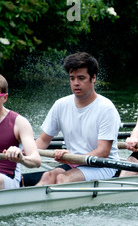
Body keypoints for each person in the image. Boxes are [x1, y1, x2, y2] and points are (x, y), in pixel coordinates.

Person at [34, 52, 121, 185]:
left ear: (93, 78)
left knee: (62, 179)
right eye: (72, 78)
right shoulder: (60, 105)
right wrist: (25, 151)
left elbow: (103, 151)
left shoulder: (106, 108)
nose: (76, 83)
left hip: (103, 165)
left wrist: (72, 159)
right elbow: (43, 140)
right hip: (74, 162)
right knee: (47, 176)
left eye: (81, 78)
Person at [0, 75, 41, 189]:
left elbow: (36, 160)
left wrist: (21, 158)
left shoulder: (19, 123)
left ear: (5, 98)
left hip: (8, 179)